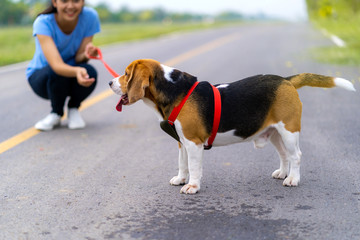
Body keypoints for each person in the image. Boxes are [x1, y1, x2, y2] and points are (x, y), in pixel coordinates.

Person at [26, 0, 101, 131]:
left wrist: (86, 54)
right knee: (58, 72)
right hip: (43, 78)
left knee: (90, 72)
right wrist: (77, 71)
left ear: (83, 2)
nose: (70, 6)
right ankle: (56, 113)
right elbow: (56, 65)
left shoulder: (90, 17)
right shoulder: (43, 22)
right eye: (65, 1)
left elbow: (79, 58)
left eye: (76, 1)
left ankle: (73, 109)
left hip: (68, 76)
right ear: (55, 2)